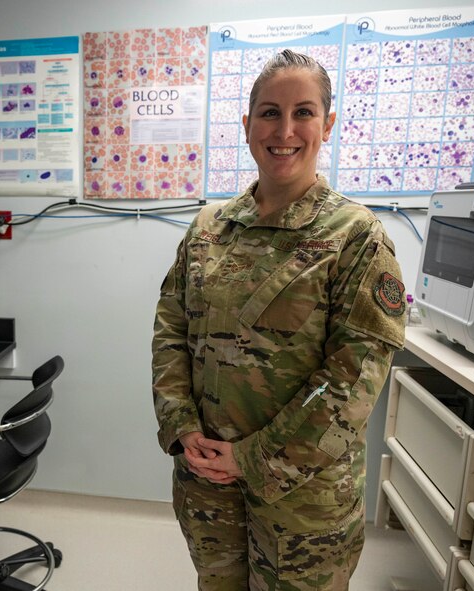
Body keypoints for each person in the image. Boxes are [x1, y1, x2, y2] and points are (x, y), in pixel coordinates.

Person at [151, 49, 407, 591]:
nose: (284, 130)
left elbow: (353, 380)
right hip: (207, 483)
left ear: (327, 124)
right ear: (247, 126)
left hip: (302, 499)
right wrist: (181, 427)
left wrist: (254, 458)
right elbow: (171, 330)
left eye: (304, 113)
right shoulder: (209, 228)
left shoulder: (356, 236)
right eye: (269, 112)